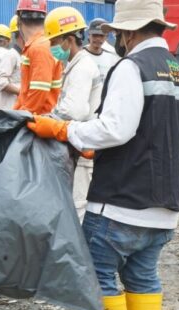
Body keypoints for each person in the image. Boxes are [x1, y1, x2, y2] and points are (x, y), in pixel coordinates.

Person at [26, 0, 179, 310]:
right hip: (165, 203)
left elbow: (116, 128)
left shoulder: (130, 67)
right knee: (143, 278)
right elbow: (160, 134)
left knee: (100, 275)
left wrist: (66, 131)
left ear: (128, 33)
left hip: (120, 200)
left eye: (119, 33)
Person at [45, 6, 103, 222]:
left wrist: (48, 120)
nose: (52, 47)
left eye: (54, 42)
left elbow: (75, 110)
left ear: (69, 40)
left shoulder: (82, 68)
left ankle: (79, 254)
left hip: (86, 149)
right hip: (81, 145)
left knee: (78, 209)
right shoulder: (74, 65)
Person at [12, 0, 63, 114]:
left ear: (18, 20)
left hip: (38, 122)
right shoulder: (39, 44)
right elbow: (26, 93)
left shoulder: (39, 47)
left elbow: (38, 93)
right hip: (36, 119)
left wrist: (19, 119)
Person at [0, 15, 22, 110]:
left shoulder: (23, 56)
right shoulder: (11, 55)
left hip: (19, 109)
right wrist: (22, 92)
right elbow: (1, 82)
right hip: (8, 110)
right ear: (21, 33)